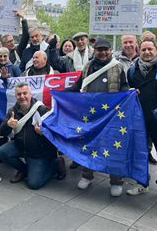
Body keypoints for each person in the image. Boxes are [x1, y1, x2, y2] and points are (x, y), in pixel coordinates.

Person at [67, 37, 128, 196]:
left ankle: (116, 181)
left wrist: (130, 93)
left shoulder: (118, 67)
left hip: (110, 115)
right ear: (95, 51)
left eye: (105, 50)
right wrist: (61, 94)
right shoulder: (88, 66)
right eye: (99, 50)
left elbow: (124, 86)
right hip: (90, 115)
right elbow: (78, 85)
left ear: (110, 51)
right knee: (89, 145)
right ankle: (87, 175)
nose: (102, 53)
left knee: (112, 147)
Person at [126, 38, 157, 204]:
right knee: (140, 152)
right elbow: (129, 91)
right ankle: (141, 182)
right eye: (144, 49)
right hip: (139, 120)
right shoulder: (132, 70)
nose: (147, 52)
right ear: (140, 51)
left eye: (150, 49)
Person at [0, 82, 66, 189]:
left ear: (30, 94)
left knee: (34, 184)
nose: (22, 97)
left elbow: (56, 134)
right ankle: (24, 170)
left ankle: (55, 164)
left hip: (39, 152)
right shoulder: (13, 112)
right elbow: (1, 132)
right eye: (19, 94)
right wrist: (7, 125)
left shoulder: (42, 110)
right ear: (15, 96)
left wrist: (43, 133)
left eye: (25, 93)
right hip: (21, 147)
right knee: (2, 152)